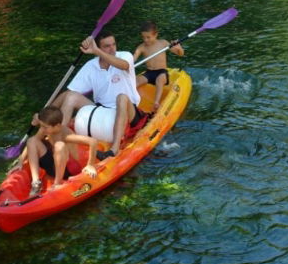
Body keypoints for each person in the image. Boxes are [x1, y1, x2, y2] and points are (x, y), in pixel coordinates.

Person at [46, 29, 144, 157]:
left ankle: (114, 149)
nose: (112, 49)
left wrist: (97, 51)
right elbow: (68, 93)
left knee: (121, 97)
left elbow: (124, 66)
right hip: (102, 110)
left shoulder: (125, 56)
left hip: (129, 110)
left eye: (113, 44)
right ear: (99, 47)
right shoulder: (90, 66)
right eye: (107, 46)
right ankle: (57, 143)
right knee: (71, 97)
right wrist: (45, 115)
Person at [25, 105, 102, 197]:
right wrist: (20, 161)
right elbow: (32, 144)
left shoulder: (66, 135)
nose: (42, 129)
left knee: (59, 145)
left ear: (57, 126)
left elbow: (93, 141)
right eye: (41, 126)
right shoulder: (47, 129)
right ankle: (36, 183)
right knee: (31, 140)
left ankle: (57, 183)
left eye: (44, 127)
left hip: (68, 169)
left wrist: (90, 165)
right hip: (54, 164)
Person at [133, 21, 184, 109]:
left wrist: (179, 48)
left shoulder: (163, 43)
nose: (145, 40)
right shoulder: (141, 47)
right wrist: (127, 63)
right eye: (143, 37)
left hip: (161, 72)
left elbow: (180, 54)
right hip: (149, 73)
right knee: (136, 81)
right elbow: (134, 58)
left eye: (148, 37)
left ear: (155, 35)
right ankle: (131, 100)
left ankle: (156, 103)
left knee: (159, 80)